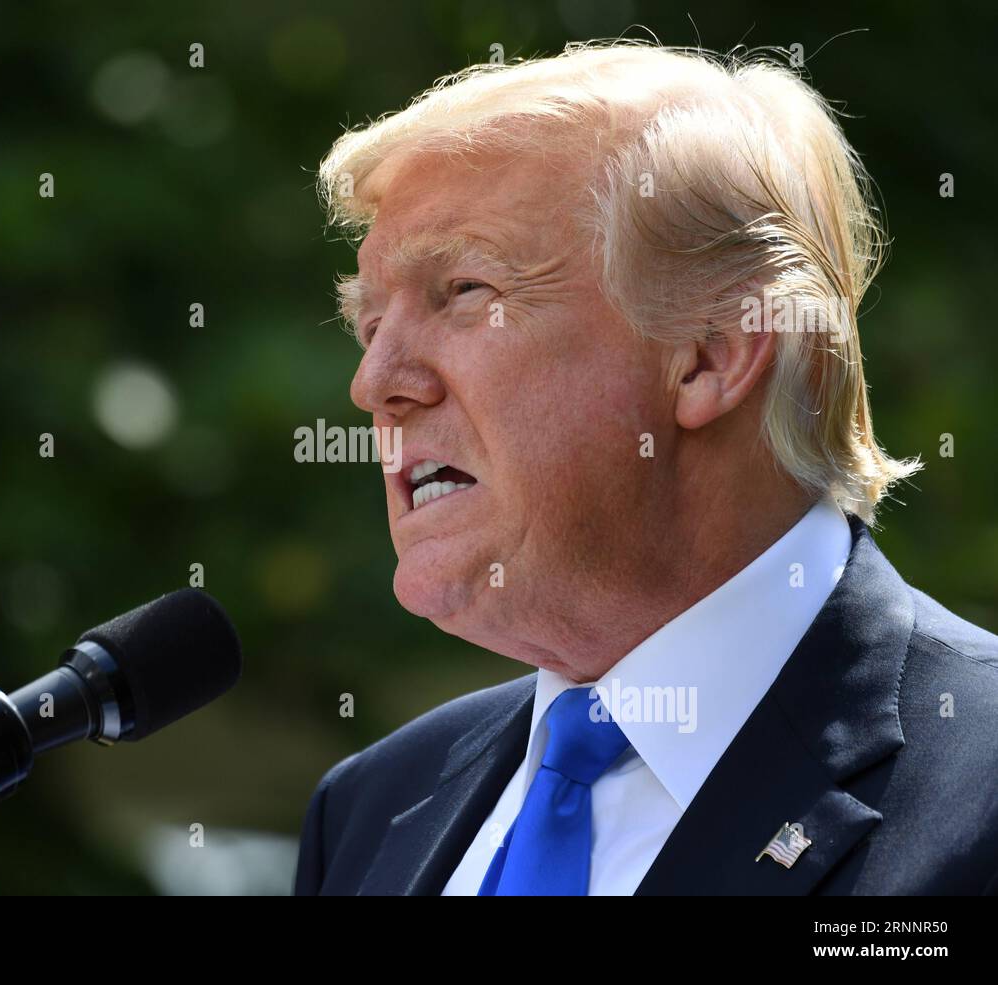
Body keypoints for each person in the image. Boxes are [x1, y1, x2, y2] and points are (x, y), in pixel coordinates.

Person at [293, 42, 998, 895]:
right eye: (370, 326)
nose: (375, 384)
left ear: (710, 355)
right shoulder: (371, 808)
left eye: (466, 290)